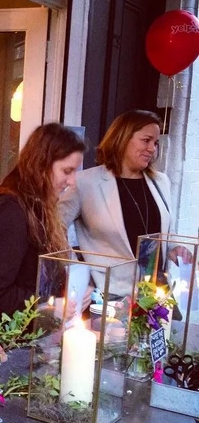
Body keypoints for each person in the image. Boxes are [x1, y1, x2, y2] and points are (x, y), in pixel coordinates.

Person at [0, 123, 86, 320]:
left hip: (32, 333)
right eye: (67, 171)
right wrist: (47, 307)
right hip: (7, 335)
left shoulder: (40, 204)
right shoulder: (11, 209)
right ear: (41, 164)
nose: (72, 181)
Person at [59, 109, 173, 295]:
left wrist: (175, 248)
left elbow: (163, 228)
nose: (152, 149)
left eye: (155, 143)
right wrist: (77, 271)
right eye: (146, 140)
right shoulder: (85, 182)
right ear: (123, 138)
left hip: (156, 293)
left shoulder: (161, 181)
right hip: (108, 294)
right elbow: (53, 229)